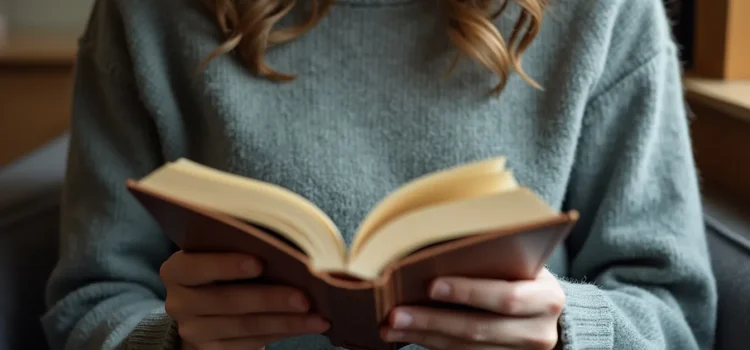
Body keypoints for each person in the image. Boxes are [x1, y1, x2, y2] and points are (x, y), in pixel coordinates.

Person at [41, 0, 717, 349]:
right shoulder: (146, 16)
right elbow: (88, 304)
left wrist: (566, 329)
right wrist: (174, 340)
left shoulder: (605, 13)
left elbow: (678, 317)